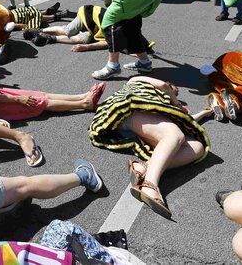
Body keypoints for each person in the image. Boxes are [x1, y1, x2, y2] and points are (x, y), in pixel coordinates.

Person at [89, 76, 211, 219]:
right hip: (129, 108)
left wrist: (203, 113)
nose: (172, 96)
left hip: (132, 120)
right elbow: (163, 84)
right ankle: (150, 184)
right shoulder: (136, 82)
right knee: (175, 135)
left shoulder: (163, 108)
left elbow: (187, 121)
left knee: (197, 147)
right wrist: (176, 103)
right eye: (173, 92)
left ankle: (145, 167)